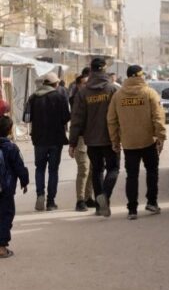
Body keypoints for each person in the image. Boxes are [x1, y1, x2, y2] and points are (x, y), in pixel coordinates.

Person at [107, 65, 166, 220]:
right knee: (152, 172)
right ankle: (152, 202)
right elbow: (158, 118)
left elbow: (111, 120)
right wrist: (160, 137)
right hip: (148, 142)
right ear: (140, 76)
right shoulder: (149, 93)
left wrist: (115, 140)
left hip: (129, 143)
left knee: (131, 176)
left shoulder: (118, 96)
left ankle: (132, 210)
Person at [68, 58, 119, 218]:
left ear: (91, 70)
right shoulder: (112, 89)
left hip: (91, 139)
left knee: (97, 170)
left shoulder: (83, 92)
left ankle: (99, 206)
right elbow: (120, 115)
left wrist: (73, 142)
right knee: (113, 168)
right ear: (104, 69)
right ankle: (105, 196)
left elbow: (77, 118)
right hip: (110, 138)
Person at [24, 72, 70, 211]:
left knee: (40, 169)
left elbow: (26, 119)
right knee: (53, 170)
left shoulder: (33, 98)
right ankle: (50, 202)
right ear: (56, 84)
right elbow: (66, 117)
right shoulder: (60, 97)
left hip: (39, 140)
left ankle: (40, 195)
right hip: (56, 139)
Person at [0, 116, 30, 259]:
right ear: (9, 130)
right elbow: (20, 167)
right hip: (6, 189)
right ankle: (1, 247)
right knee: (6, 215)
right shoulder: (11, 147)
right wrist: (25, 182)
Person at [71, 73, 95, 212]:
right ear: (78, 85)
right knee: (83, 169)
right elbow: (75, 122)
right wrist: (72, 143)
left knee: (92, 169)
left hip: (93, 138)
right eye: (84, 83)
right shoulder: (76, 99)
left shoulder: (92, 97)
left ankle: (88, 197)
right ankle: (80, 200)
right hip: (81, 139)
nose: (86, 86)